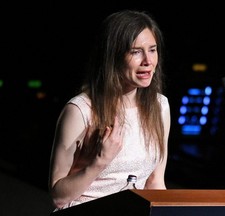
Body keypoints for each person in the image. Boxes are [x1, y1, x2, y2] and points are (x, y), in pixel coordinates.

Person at [48, 9, 171, 210]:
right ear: (112, 56)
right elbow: (58, 197)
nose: (148, 61)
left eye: (152, 49)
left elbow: (155, 183)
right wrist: (99, 162)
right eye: (136, 51)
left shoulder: (160, 107)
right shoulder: (80, 111)